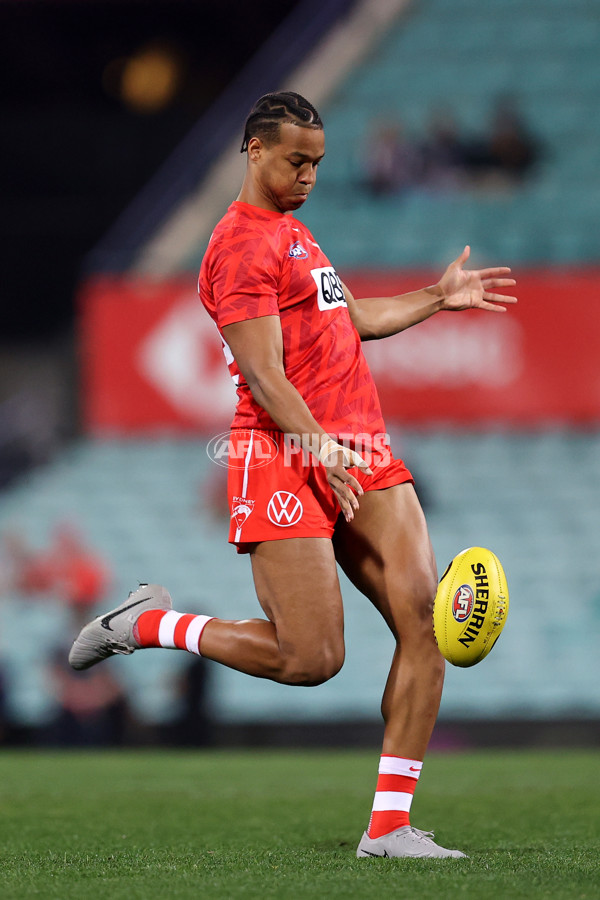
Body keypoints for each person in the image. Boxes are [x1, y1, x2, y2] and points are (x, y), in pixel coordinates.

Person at [69, 91, 516, 859]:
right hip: (281, 452)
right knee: (311, 659)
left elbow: (350, 321)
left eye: (317, 163)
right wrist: (319, 450)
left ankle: (389, 828)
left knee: (425, 624)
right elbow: (266, 376)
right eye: (295, 161)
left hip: (363, 449)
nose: (308, 175)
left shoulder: (296, 235)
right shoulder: (239, 246)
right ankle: (147, 623)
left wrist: (436, 299)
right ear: (254, 150)